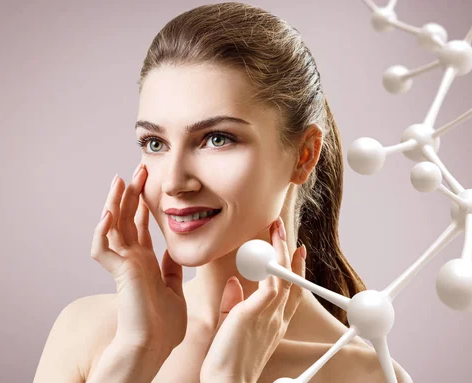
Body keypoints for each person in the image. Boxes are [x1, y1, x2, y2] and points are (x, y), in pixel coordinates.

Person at [34, 2, 412, 382]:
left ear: (304, 155)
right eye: (154, 142)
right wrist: (137, 352)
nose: (174, 182)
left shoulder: (363, 375)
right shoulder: (90, 332)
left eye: (217, 138)